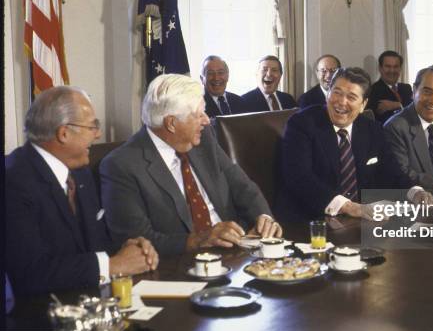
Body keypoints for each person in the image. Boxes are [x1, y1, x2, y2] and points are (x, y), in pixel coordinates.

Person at [100, 74, 282, 256]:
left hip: (236, 250)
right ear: (171, 123)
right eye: (199, 114)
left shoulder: (204, 138)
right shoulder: (120, 165)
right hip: (182, 265)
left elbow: (242, 186)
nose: (206, 120)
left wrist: (263, 217)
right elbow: (136, 240)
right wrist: (199, 240)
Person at [5, 86, 158, 296]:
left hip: (89, 302)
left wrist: (129, 249)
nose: (99, 134)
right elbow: (31, 273)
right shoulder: (13, 182)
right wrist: (112, 266)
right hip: (38, 318)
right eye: (92, 126)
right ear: (64, 133)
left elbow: (93, 243)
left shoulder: (79, 172)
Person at [277, 67, 398, 221]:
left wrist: (415, 192)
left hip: (358, 219)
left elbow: (392, 171)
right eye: (337, 92)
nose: (341, 102)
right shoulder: (302, 123)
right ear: (328, 94)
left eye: (352, 97)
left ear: (363, 105)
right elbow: (299, 177)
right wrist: (349, 207)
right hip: (310, 219)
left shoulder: (372, 129)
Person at [366, 50, 413, 123]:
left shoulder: (406, 88)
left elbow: (415, 112)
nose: (392, 70)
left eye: (396, 66)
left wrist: (398, 105)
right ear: (380, 68)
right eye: (388, 66)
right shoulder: (372, 91)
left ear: (400, 68)